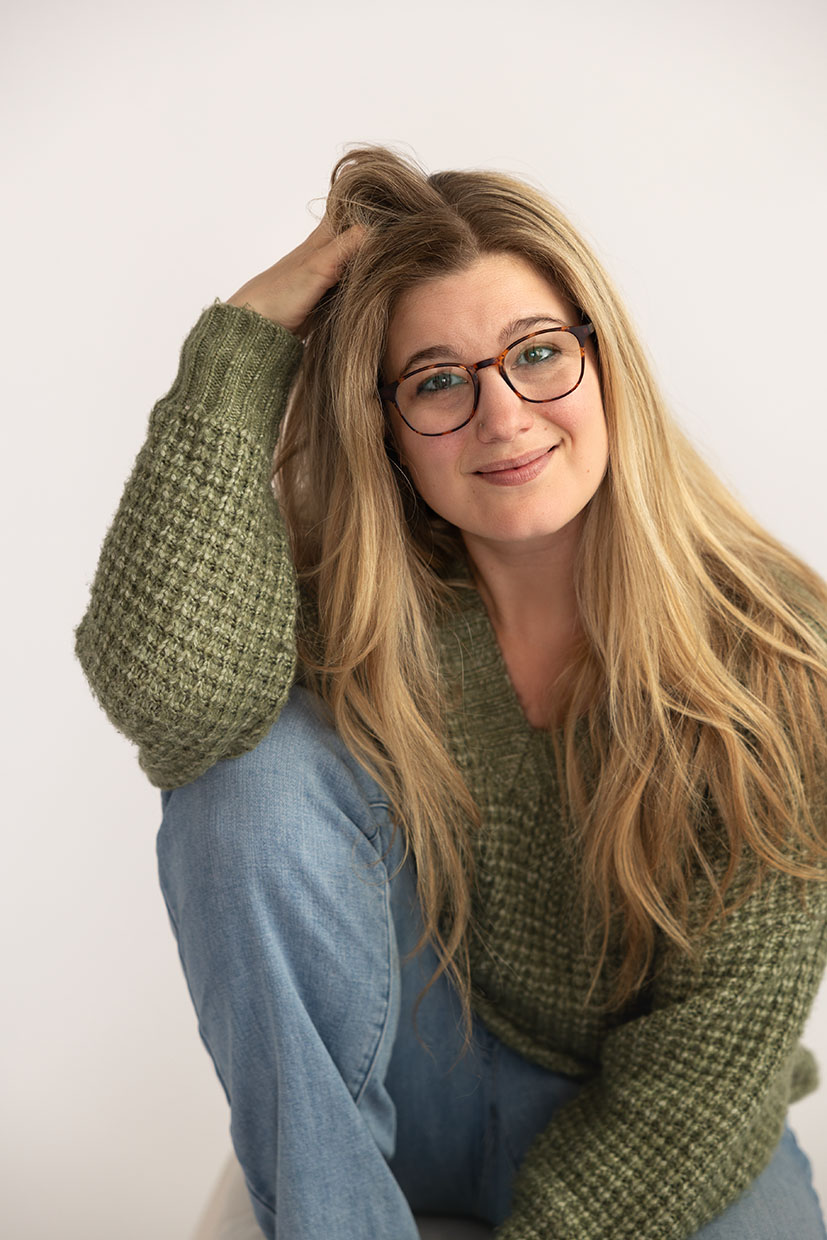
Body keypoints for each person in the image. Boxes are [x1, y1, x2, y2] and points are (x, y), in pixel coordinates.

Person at [74, 145, 827, 1240]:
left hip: (642, 1108)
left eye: (535, 354)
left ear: (602, 360)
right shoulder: (357, 606)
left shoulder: (771, 647)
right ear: (388, 429)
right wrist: (238, 344)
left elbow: (718, 1047)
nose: (502, 415)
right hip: (397, 1078)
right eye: (437, 380)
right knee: (242, 781)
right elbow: (175, 708)